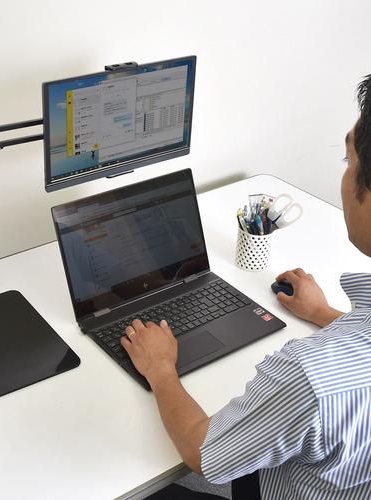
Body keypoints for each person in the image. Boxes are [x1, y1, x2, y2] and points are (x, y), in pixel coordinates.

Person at [120, 74, 371, 500]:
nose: (345, 179)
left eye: (349, 161)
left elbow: (203, 453)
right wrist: (324, 315)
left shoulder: (310, 377)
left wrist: (160, 368)